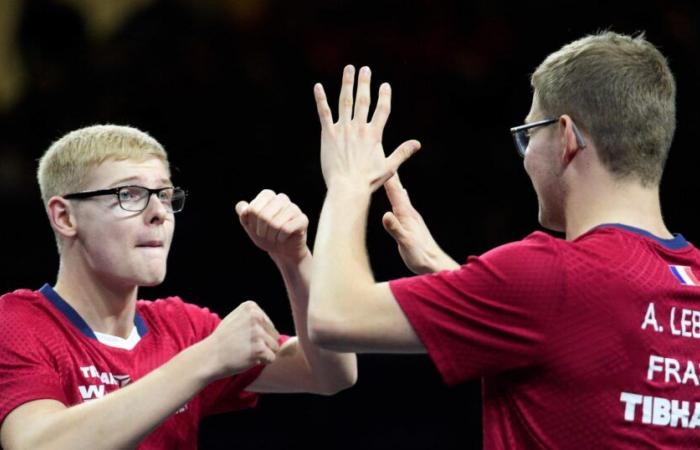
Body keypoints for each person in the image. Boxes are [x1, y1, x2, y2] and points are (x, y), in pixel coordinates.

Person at [307, 32, 699, 447]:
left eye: (530, 132)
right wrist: (445, 273)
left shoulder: (549, 276)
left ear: (567, 136)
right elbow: (575, 336)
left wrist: (347, 184)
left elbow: (335, 317)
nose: (526, 152)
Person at [0, 124, 356, 449]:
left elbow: (331, 372)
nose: (159, 213)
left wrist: (294, 260)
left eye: (165, 195)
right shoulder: (16, 323)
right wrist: (208, 358)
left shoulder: (181, 327)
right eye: (130, 193)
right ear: (65, 217)